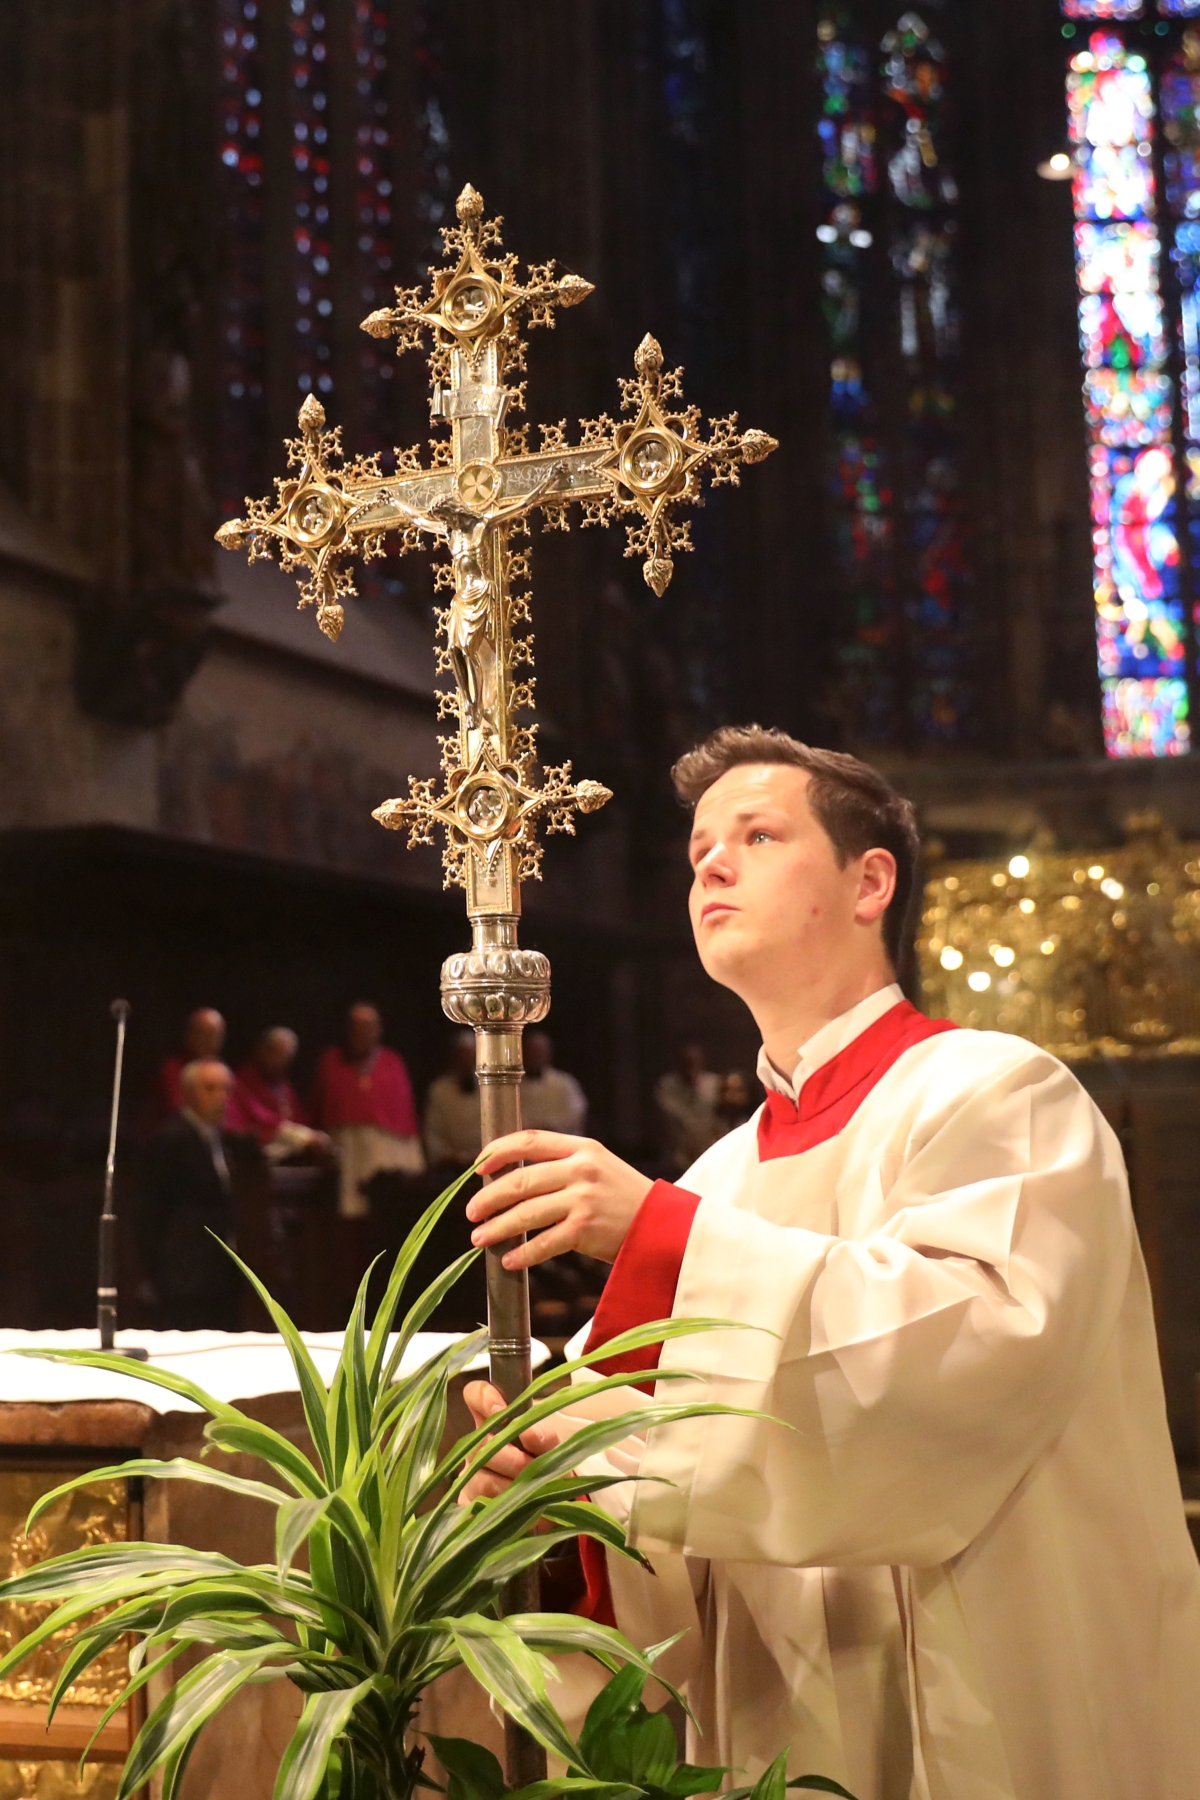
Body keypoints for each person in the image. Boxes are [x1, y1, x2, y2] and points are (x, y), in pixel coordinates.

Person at [457, 726, 1200, 1800]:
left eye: (757, 835)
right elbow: (665, 1462)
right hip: (779, 1695)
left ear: (870, 882)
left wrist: (664, 1237)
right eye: (699, 849)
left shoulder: (1001, 1092)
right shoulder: (713, 1174)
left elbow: (970, 1355)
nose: (710, 863)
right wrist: (567, 1467)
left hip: (985, 1665)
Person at [136, 1058, 241, 1330]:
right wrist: (152, 1274)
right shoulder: (171, 1139)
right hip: (183, 1274)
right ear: (188, 1093)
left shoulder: (219, 1139)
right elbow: (151, 1211)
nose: (221, 1097)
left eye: (226, 1089)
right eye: (211, 1088)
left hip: (218, 1271)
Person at [310, 1003, 424, 1218]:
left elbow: (404, 1113)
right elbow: (320, 1107)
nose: (364, 1032)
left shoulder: (392, 1062)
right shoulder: (332, 1060)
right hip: (347, 1150)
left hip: (387, 1149)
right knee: (350, 1212)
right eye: (358, 1026)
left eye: (369, 1026)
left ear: (379, 1029)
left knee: (389, 1212)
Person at [229, 1026, 329, 1162]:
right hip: (254, 1160)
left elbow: (296, 1119)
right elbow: (261, 1120)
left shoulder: (283, 1086)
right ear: (262, 1050)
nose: (281, 1061)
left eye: (287, 1056)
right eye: (277, 1053)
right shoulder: (241, 1082)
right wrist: (304, 1136)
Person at [144, 1008, 226, 1131]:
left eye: (217, 1036)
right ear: (190, 1035)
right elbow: (182, 1114)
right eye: (205, 1034)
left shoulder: (219, 1072)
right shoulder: (172, 1069)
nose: (211, 1042)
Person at [654, 1042, 721, 1174]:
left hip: (710, 1150)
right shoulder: (667, 1086)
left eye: (695, 1061)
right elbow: (675, 1116)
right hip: (678, 1153)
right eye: (687, 1062)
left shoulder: (713, 1083)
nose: (691, 1065)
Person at [423, 1033, 482, 1172]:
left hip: (488, 1160)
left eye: (471, 1055)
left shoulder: (491, 1088)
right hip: (452, 1167)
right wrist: (452, 1158)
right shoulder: (440, 1090)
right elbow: (433, 1131)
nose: (467, 1060)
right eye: (463, 1055)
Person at [520, 1031, 587, 1135]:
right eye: (532, 1052)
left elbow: (577, 1111)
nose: (536, 1057)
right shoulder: (515, 1086)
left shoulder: (565, 1082)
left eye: (540, 1052)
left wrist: (550, 1126)